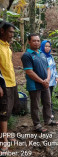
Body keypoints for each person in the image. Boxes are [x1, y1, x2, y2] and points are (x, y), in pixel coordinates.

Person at [21, 34, 58, 133]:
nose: (36, 42)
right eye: (34, 41)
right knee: (35, 105)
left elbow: (48, 68)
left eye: (38, 40)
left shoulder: (42, 54)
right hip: (34, 85)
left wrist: (48, 79)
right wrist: (42, 81)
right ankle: (37, 125)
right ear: (29, 42)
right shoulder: (27, 55)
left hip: (45, 83)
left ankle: (48, 120)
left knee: (47, 102)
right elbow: (29, 72)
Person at [0, 21, 20, 151]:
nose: (12, 35)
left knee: (9, 110)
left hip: (12, 82)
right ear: (2, 30)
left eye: (13, 32)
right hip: (4, 84)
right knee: (3, 112)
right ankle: (4, 140)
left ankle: (6, 134)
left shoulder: (7, 46)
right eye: (10, 32)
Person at [40, 40, 58, 119]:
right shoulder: (40, 56)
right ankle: (47, 112)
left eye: (49, 46)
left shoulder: (50, 57)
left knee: (50, 95)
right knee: (45, 97)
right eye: (46, 46)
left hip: (51, 80)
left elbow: (53, 67)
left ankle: (50, 110)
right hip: (44, 80)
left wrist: (56, 76)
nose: (47, 48)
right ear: (42, 46)